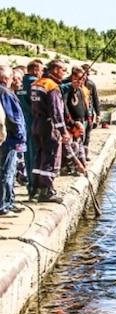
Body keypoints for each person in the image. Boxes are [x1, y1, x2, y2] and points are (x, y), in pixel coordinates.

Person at [30, 59, 68, 203]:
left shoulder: (36, 84)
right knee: (51, 156)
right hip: (48, 125)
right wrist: (63, 131)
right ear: (55, 69)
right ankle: (47, 190)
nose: (64, 73)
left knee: (39, 155)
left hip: (36, 123)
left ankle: (35, 188)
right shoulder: (52, 86)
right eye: (62, 70)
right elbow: (56, 111)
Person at [0, 65, 27, 215]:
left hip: (8, 138)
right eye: (12, 78)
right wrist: (20, 134)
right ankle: (4, 205)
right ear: (6, 78)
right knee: (7, 173)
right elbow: (12, 117)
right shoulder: (5, 92)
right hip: (10, 139)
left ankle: (9, 202)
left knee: (10, 172)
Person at [19, 60, 42, 200]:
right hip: (34, 123)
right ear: (34, 70)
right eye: (40, 70)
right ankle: (35, 187)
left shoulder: (21, 83)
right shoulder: (34, 83)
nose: (41, 73)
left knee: (27, 157)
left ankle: (30, 187)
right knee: (36, 156)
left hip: (24, 123)